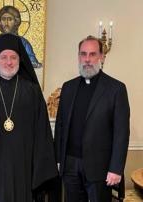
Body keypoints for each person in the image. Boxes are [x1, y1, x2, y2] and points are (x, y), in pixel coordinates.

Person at [0, 33, 57, 202]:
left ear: (20, 60)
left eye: (13, 57)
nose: (9, 62)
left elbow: (42, 132)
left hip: (24, 164)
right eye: (4, 57)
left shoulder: (32, 91)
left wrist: (39, 168)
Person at [54, 35, 130, 202]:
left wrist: (116, 169)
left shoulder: (116, 89)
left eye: (92, 54)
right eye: (83, 54)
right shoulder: (68, 87)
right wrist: (58, 159)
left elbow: (121, 133)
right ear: (78, 56)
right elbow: (60, 126)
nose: (87, 59)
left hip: (100, 168)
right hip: (70, 166)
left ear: (101, 56)